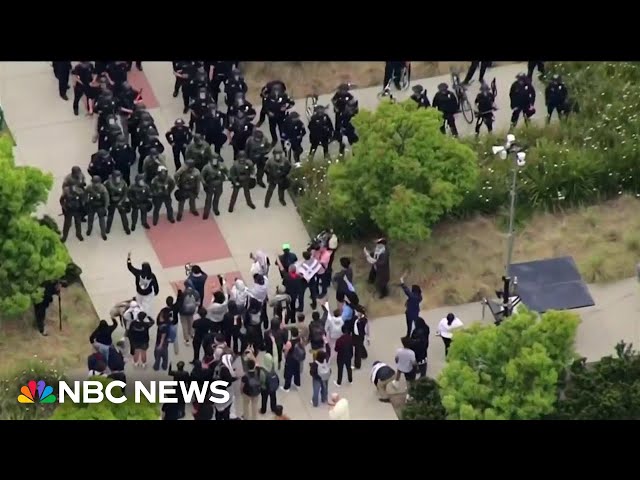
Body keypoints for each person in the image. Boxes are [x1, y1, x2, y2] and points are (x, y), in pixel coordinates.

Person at [127, 252, 159, 317]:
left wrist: (128, 258)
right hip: (147, 294)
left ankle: (136, 315)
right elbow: (156, 285)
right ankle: (144, 316)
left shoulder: (138, 273)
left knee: (138, 304)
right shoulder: (152, 276)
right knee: (146, 306)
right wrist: (156, 292)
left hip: (139, 293)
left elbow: (130, 267)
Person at [200, 154, 227, 219]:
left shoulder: (222, 166)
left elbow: (227, 172)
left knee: (216, 198)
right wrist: (204, 182)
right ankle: (206, 212)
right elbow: (201, 176)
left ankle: (215, 209)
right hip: (210, 185)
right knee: (208, 199)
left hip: (219, 185)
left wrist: (229, 177)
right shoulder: (207, 167)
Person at [104, 170, 131, 235]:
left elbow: (125, 194)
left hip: (120, 201)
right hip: (111, 202)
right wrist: (107, 202)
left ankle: (126, 228)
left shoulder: (123, 183)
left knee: (123, 215)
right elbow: (105, 193)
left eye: (119, 177)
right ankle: (107, 228)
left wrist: (121, 201)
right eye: (117, 177)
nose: (118, 178)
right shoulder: (108, 183)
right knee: (110, 216)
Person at [84, 175, 110, 241]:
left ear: (100, 182)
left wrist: (105, 208)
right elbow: (85, 193)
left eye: (97, 183)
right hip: (91, 205)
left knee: (102, 221)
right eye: (94, 183)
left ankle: (103, 234)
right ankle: (89, 229)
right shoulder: (89, 187)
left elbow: (107, 199)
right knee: (90, 219)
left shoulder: (103, 189)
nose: (95, 184)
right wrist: (86, 201)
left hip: (100, 206)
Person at [213, 354, 236, 420]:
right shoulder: (225, 370)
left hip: (216, 391)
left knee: (218, 412)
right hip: (224, 394)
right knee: (226, 412)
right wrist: (235, 378)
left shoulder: (218, 366)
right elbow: (228, 382)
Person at [282, 327, 305, 392]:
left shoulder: (289, 342)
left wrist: (285, 356)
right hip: (297, 358)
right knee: (296, 371)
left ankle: (286, 387)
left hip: (290, 359)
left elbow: (286, 351)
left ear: (291, 334)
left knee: (288, 373)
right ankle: (297, 384)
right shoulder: (299, 339)